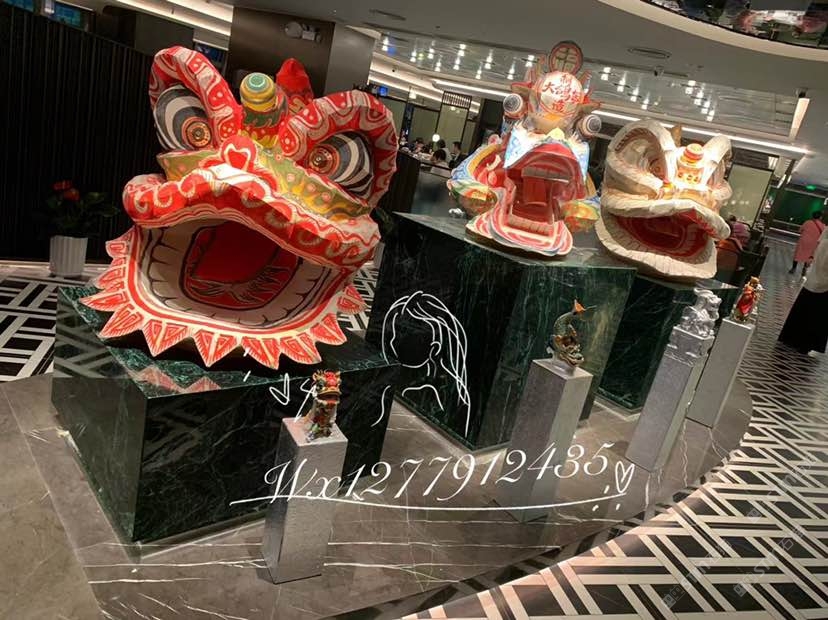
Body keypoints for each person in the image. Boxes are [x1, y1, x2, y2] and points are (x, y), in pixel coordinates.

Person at [779, 227, 828, 355]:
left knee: (803, 309)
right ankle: (806, 343)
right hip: (824, 285)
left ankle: (790, 337)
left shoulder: (824, 239)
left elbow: (818, 249)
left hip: (813, 279)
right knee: (817, 314)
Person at [790, 211, 825, 276]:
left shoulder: (807, 222)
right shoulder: (822, 226)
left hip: (803, 241)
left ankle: (793, 268)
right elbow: (823, 235)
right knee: (808, 256)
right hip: (813, 244)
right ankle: (804, 270)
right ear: (820, 217)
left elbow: (800, 230)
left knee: (797, 254)